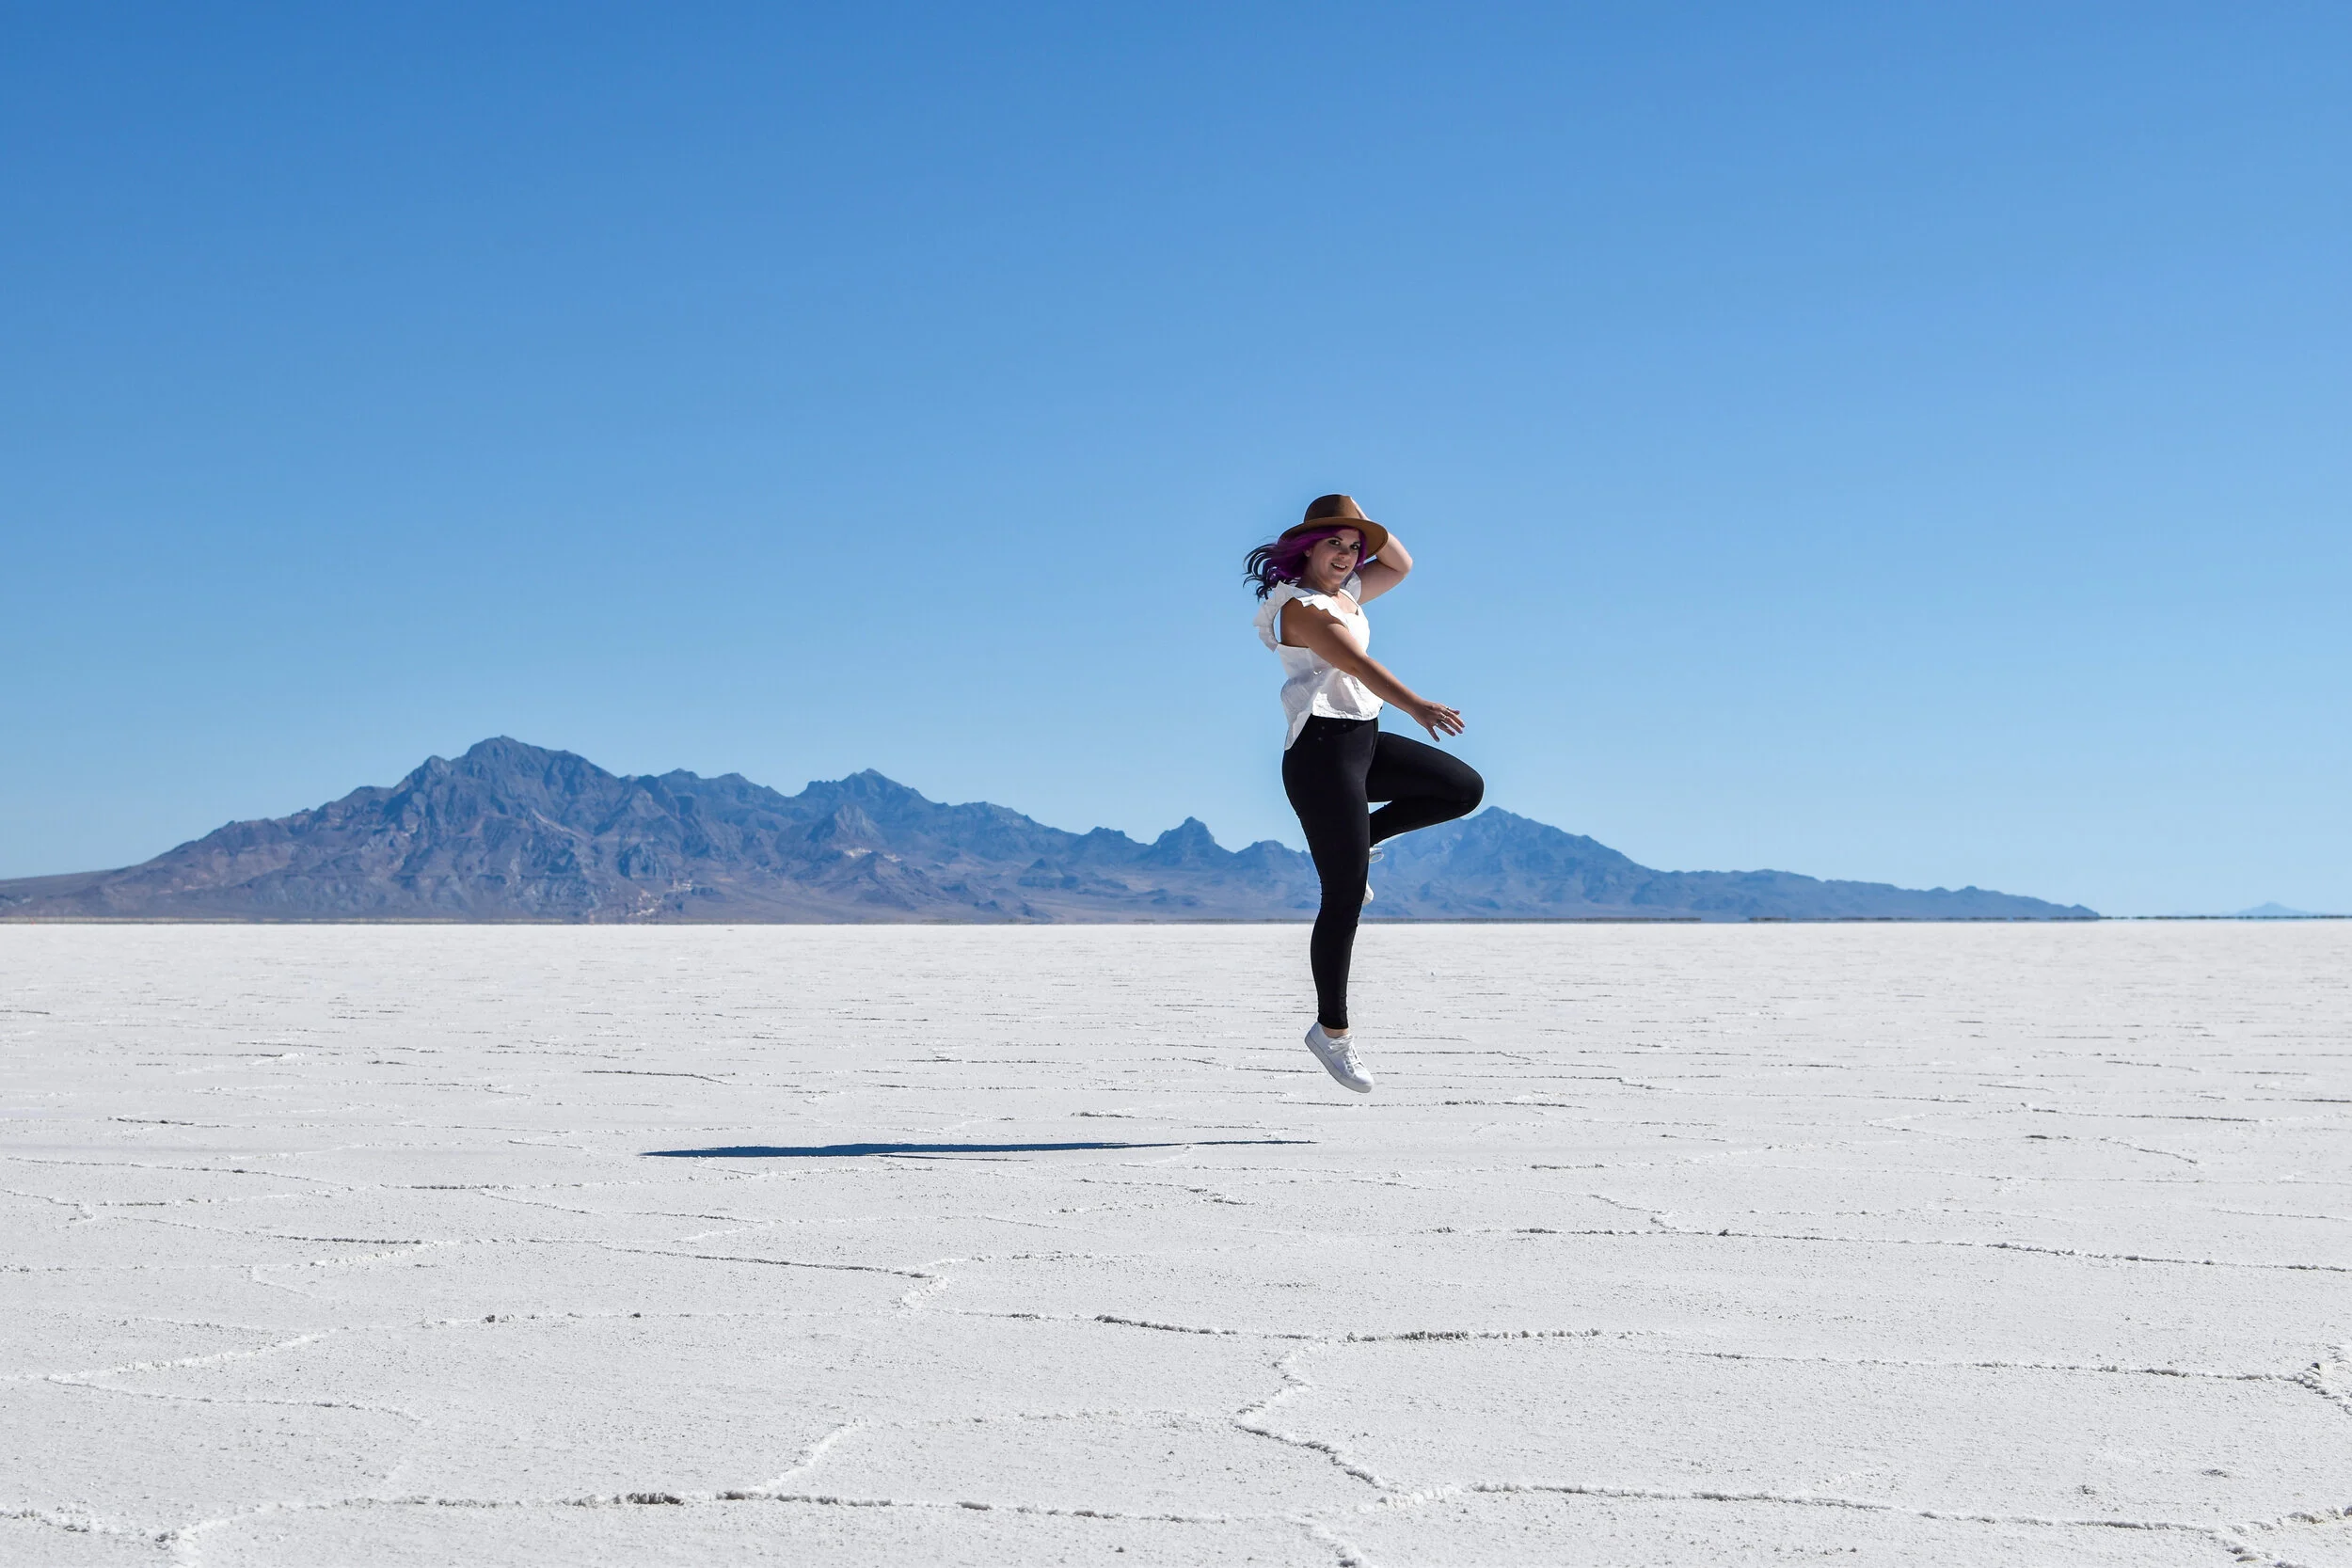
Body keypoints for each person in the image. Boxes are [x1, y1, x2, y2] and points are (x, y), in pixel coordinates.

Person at [1247, 495, 1484, 1093]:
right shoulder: (1300, 610)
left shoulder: (1345, 594)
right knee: (1345, 894)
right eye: (1335, 545)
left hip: (1363, 743)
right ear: (1307, 549)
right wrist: (1419, 706)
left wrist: (1358, 516)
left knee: (1460, 787)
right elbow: (1352, 663)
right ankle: (1332, 1032)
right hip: (1321, 757)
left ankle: (1364, 840)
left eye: (1354, 548)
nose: (1349, 556)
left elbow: (1399, 563)